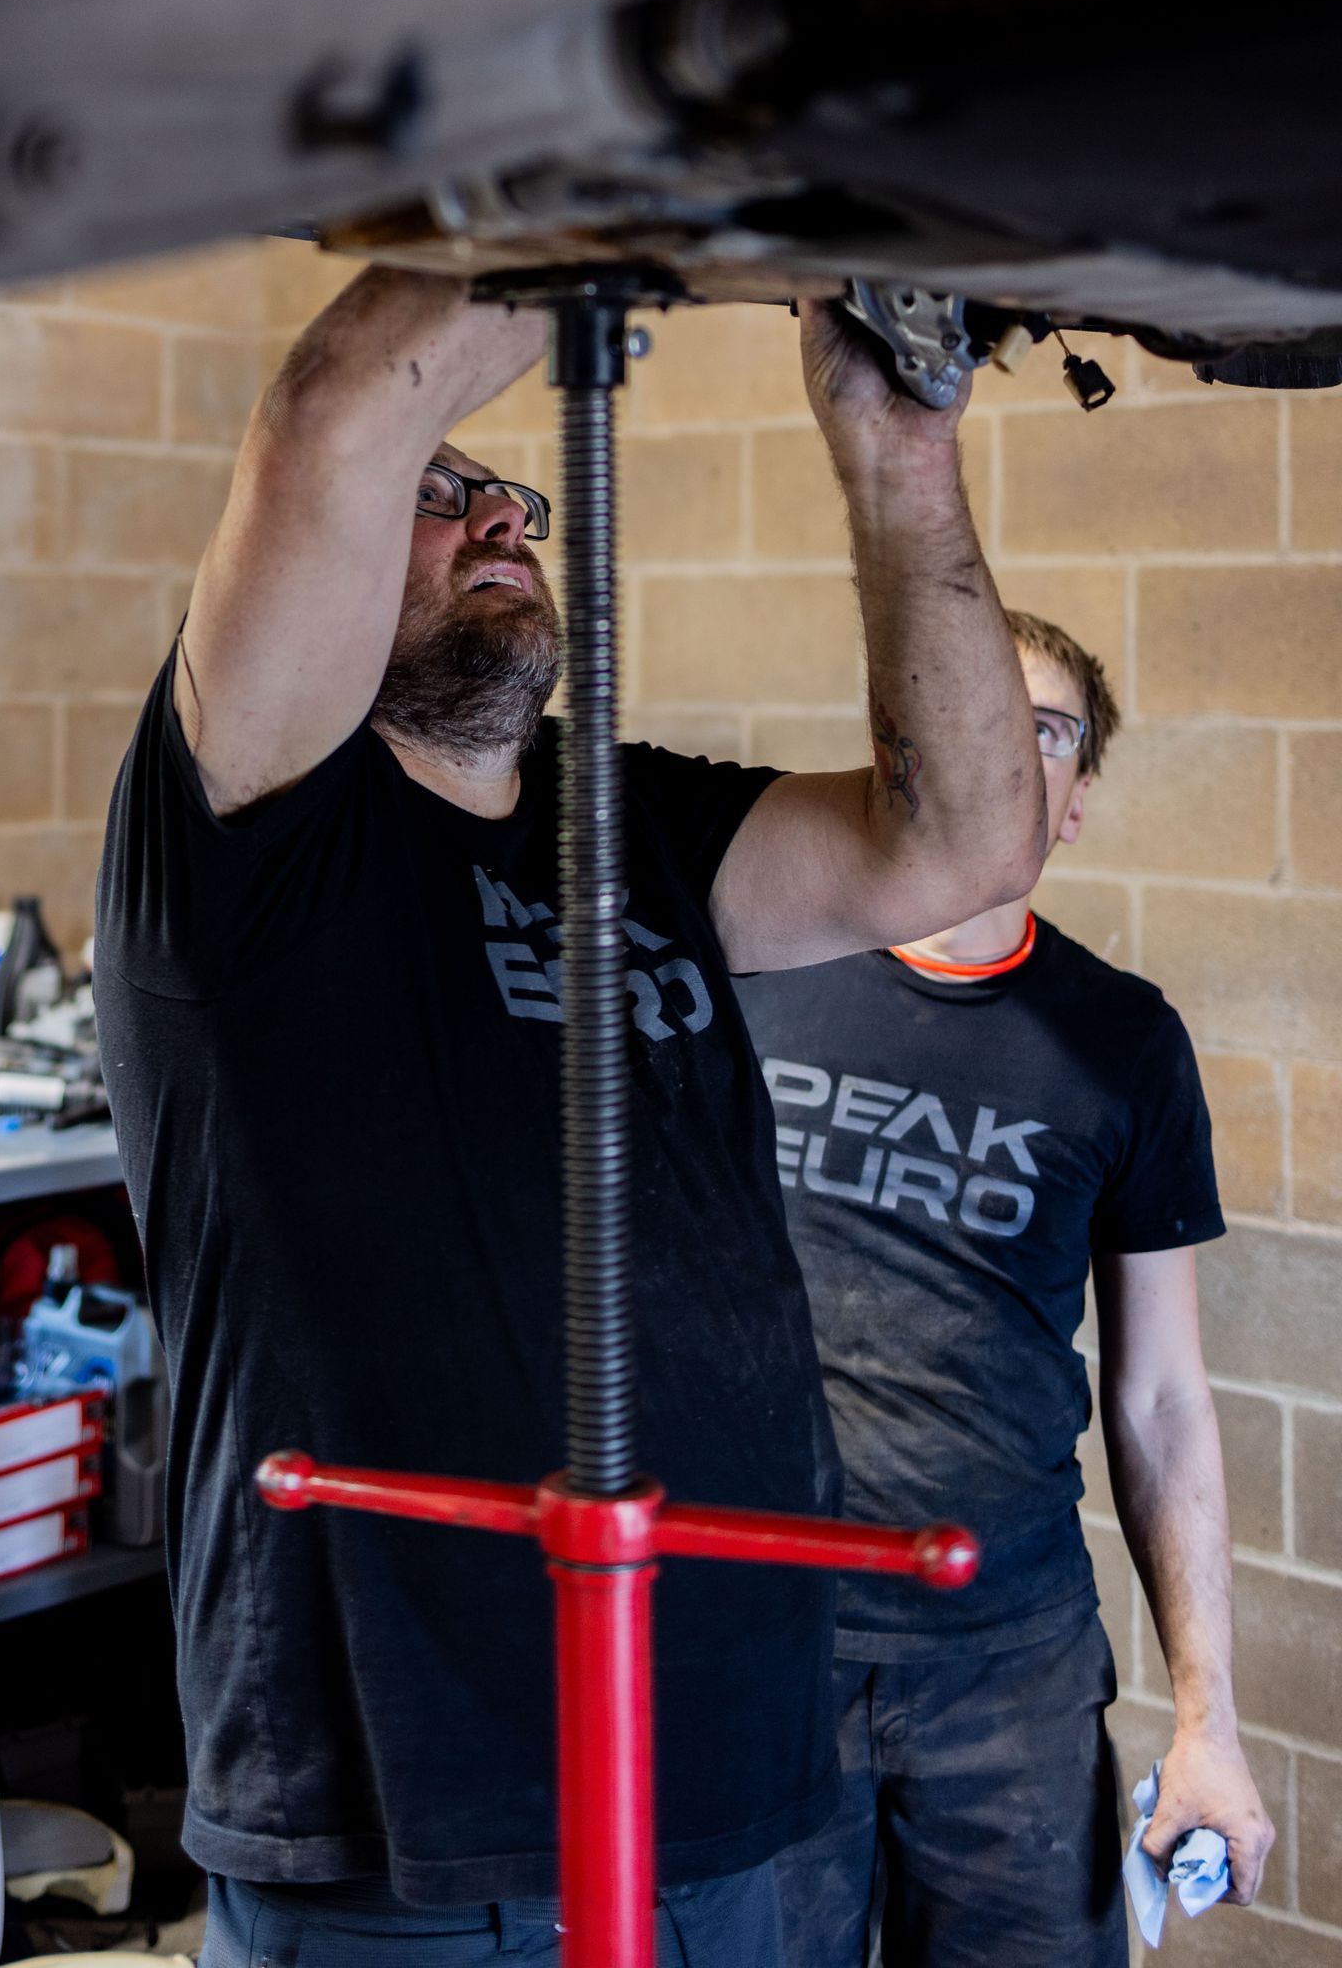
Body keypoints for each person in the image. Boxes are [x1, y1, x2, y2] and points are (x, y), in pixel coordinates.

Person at [94, 266, 1045, 1968]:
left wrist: (896, 444)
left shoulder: (638, 823)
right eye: (439, 494)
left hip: (731, 1772)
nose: (495, 520)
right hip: (409, 1810)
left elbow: (964, 845)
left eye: (510, 498)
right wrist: (670, 204)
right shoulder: (245, 834)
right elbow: (333, 414)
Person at [740, 607, 1275, 1968]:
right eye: (970, 713)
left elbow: (1160, 1399)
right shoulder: (755, 972)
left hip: (1011, 1672)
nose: (1004, 752)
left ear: (1077, 796)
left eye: (1043, 730)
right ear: (896, 747)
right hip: (759, 1653)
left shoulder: (1123, 1043)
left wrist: (1209, 1723)